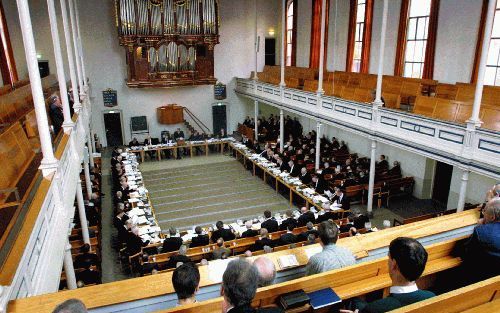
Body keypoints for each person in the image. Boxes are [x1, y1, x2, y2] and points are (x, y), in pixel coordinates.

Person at [344, 237, 435, 313]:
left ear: (394, 264)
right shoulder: (431, 298)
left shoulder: (376, 309)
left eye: (389, 257)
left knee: (354, 302)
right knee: (358, 303)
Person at [462, 198, 500, 281]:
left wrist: (481, 227)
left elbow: (465, 252)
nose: (483, 213)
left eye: (484, 211)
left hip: (479, 277)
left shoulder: (481, 232)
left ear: (492, 217)